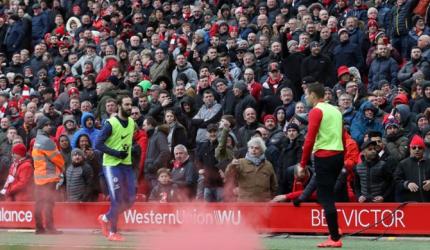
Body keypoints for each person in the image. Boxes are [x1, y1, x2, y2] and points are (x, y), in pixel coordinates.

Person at [297, 83, 344, 247]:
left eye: (307, 95)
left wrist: (303, 164)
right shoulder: (336, 110)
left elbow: (309, 139)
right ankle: (335, 229)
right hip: (338, 155)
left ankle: (335, 238)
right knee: (327, 194)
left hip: (324, 156)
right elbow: (343, 134)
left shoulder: (316, 111)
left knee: (326, 198)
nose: (305, 98)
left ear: (313, 95)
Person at [95, 95, 136, 241]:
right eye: (126, 104)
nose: (129, 107)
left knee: (130, 199)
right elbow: (97, 144)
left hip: (127, 165)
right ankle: (113, 232)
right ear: (119, 106)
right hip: (112, 165)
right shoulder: (110, 123)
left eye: (130, 104)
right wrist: (116, 153)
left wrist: (133, 151)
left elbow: (127, 141)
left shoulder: (132, 122)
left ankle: (105, 218)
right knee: (117, 199)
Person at [32, 116, 65, 234]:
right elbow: (58, 159)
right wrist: (64, 167)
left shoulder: (37, 140)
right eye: (47, 125)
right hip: (49, 178)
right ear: (41, 126)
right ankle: (50, 228)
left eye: (50, 124)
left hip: (39, 178)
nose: (49, 127)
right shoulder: (47, 141)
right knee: (49, 204)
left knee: (39, 204)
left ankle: (39, 228)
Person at [225, 137, 277, 202]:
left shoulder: (268, 165)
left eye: (256, 148)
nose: (253, 150)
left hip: (264, 203)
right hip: (245, 203)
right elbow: (228, 176)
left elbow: (274, 185)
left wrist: (270, 197)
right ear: (248, 149)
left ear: (262, 150)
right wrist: (231, 165)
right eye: (251, 147)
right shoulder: (240, 162)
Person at [394, 135, 430, 202]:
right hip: (409, 204)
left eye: (420, 147)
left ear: (424, 149)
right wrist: (407, 184)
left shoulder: (429, 162)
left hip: (427, 203)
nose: (417, 149)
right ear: (410, 149)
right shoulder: (403, 164)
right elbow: (396, 181)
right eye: (414, 147)